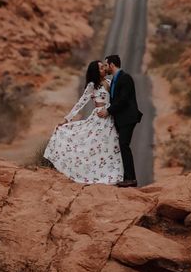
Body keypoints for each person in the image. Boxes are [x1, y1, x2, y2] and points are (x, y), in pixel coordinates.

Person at [43, 60, 124, 185]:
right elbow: (80, 103)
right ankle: (92, 175)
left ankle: (113, 176)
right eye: (101, 68)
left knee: (111, 146)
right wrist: (66, 119)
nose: (104, 69)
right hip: (98, 118)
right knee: (92, 145)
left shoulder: (110, 82)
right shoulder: (93, 85)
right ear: (96, 72)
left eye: (104, 67)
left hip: (110, 117)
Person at [97, 54, 143, 187]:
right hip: (121, 119)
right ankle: (125, 176)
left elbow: (123, 100)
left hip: (128, 118)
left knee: (124, 145)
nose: (105, 68)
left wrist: (108, 111)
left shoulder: (125, 78)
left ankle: (131, 179)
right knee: (121, 146)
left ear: (111, 65)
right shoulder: (114, 80)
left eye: (106, 65)